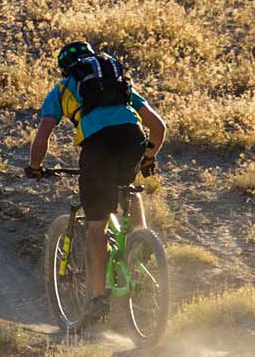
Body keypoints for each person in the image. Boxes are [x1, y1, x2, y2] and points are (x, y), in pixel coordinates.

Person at [25, 41, 167, 325]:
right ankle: (141, 246)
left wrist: (35, 167)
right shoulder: (119, 84)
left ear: (66, 69)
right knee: (128, 188)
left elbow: (43, 135)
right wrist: (148, 157)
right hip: (132, 138)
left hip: (97, 147)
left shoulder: (64, 88)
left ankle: (99, 298)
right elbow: (158, 127)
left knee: (95, 227)